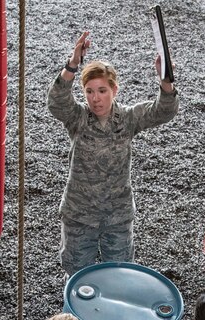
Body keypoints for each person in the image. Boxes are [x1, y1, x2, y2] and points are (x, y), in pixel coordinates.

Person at [48, 30, 179, 275]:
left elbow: (163, 111)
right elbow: (56, 102)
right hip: (79, 214)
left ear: (114, 90)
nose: (95, 98)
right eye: (89, 91)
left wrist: (165, 79)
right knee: (76, 277)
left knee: (119, 276)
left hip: (116, 217)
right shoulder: (78, 118)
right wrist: (73, 64)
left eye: (102, 90)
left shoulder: (128, 119)